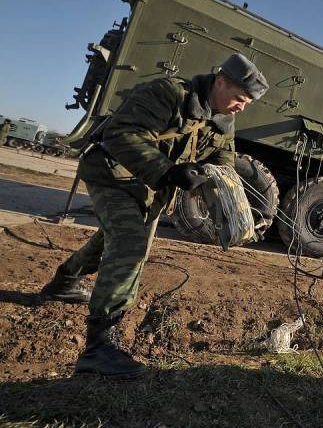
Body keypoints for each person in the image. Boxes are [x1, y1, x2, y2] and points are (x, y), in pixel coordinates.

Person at [40, 53, 268, 378]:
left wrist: (225, 198)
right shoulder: (168, 94)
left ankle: (64, 281)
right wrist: (169, 172)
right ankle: (99, 348)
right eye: (239, 98)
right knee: (131, 244)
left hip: (149, 186)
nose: (242, 107)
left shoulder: (222, 121)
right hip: (111, 173)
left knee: (113, 237)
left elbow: (223, 160)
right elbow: (121, 134)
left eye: (247, 102)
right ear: (220, 82)